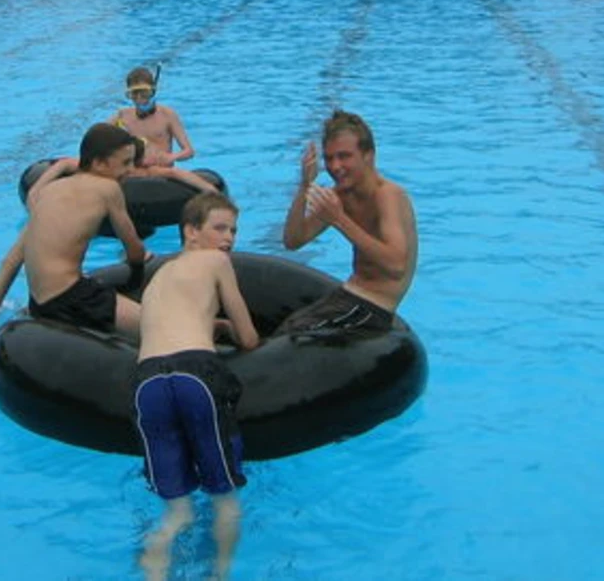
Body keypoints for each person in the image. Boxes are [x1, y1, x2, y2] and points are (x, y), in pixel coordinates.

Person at [133, 192, 259, 581]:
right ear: (190, 231)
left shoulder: (157, 277)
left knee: (177, 511)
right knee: (224, 498)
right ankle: (219, 574)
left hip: (148, 381)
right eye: (220, 228)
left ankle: (155, 573)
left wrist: (209, 323)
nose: (229, 239)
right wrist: (226, 329)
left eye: (233, 230)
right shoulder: (217, 261)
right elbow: (249, 338)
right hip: (197, 374)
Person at [0, 124, 152, 357]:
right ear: (99, 164)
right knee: (161, 326)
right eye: (125, 163)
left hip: (39, 304)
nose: (131, 170)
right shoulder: (108, 188)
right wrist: (137, 270)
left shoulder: (49, 191)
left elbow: (11, 260)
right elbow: (134, 248)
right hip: (73, 297)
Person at [278, 110, 418, 335]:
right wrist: (304, 185)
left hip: (375, 307)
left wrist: (340, 220)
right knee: (283, 329)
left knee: (293, 337)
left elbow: (396, 266)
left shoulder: (387, 196)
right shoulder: (342, 196)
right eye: (329, 158)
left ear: (368, 155)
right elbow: (293, 241)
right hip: (349, 294)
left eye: (344, 156)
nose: (335, 166)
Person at [114, 66, 218, 194]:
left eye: (144, 93)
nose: (140, 99)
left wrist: (171, 157)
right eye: (134, 94)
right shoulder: (122, 116)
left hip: (160, 171)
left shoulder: (167, 115)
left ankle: (213, 192)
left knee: (174, 173)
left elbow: (189, 151)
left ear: (153, 91)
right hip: (134, 171)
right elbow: (97, 137)